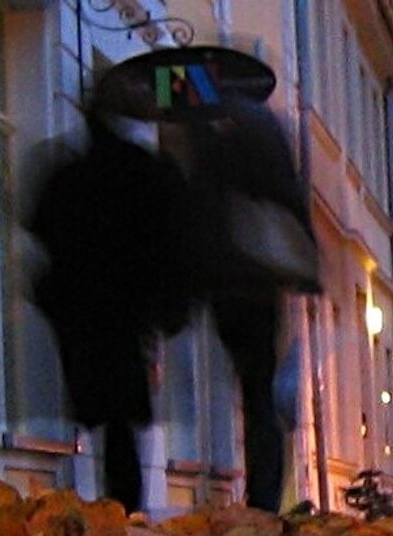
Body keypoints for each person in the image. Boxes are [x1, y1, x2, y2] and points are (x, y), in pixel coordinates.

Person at [25, 100, 195, 513]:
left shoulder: (70, 175)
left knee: (102, 405)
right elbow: (170, 236)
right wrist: (168, 303)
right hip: (125, 309)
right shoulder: (140, 171)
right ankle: (123, 505)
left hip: (84, 307)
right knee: (120, 411)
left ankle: (115, 502)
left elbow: (41, 226)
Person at [184, 95, 321, 513]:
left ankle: (228, 476)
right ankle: (264, 498)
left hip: (225, 281)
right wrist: (308, 263)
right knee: (261, 392)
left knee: (241, 379)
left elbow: (200, 204)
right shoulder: (266, 132)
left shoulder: (212, 138)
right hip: (262, 282)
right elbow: (291, 197)